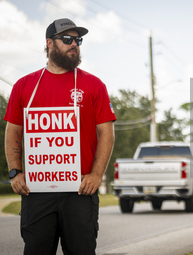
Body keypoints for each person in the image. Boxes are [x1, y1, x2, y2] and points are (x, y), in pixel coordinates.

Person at [4, 18, 116, 255]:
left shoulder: (94, 85)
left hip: (80, 191)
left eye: (78, 40)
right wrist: (15, 171)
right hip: (36, 191)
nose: (74, 44)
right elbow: (14, 130)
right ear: (50, 43)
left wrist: (97, 175)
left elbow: (106, 132)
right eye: (67, 39)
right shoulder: (24, 86)